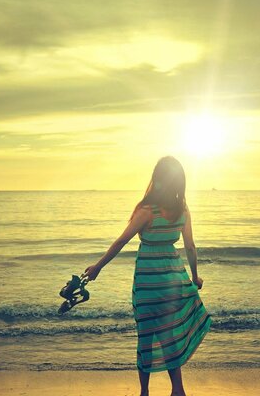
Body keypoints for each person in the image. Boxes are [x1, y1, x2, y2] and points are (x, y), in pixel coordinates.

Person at [84, 155, 212, 396]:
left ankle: (144, 392)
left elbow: (122, 240)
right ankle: (177, 389)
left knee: (146, 336)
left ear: (157, 178)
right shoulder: (183, 210)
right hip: (173, 281)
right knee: (168, 335)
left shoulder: (147, 210)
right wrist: (195, 277)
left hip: (148, 283)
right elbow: (191, 247)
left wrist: (98, 267)